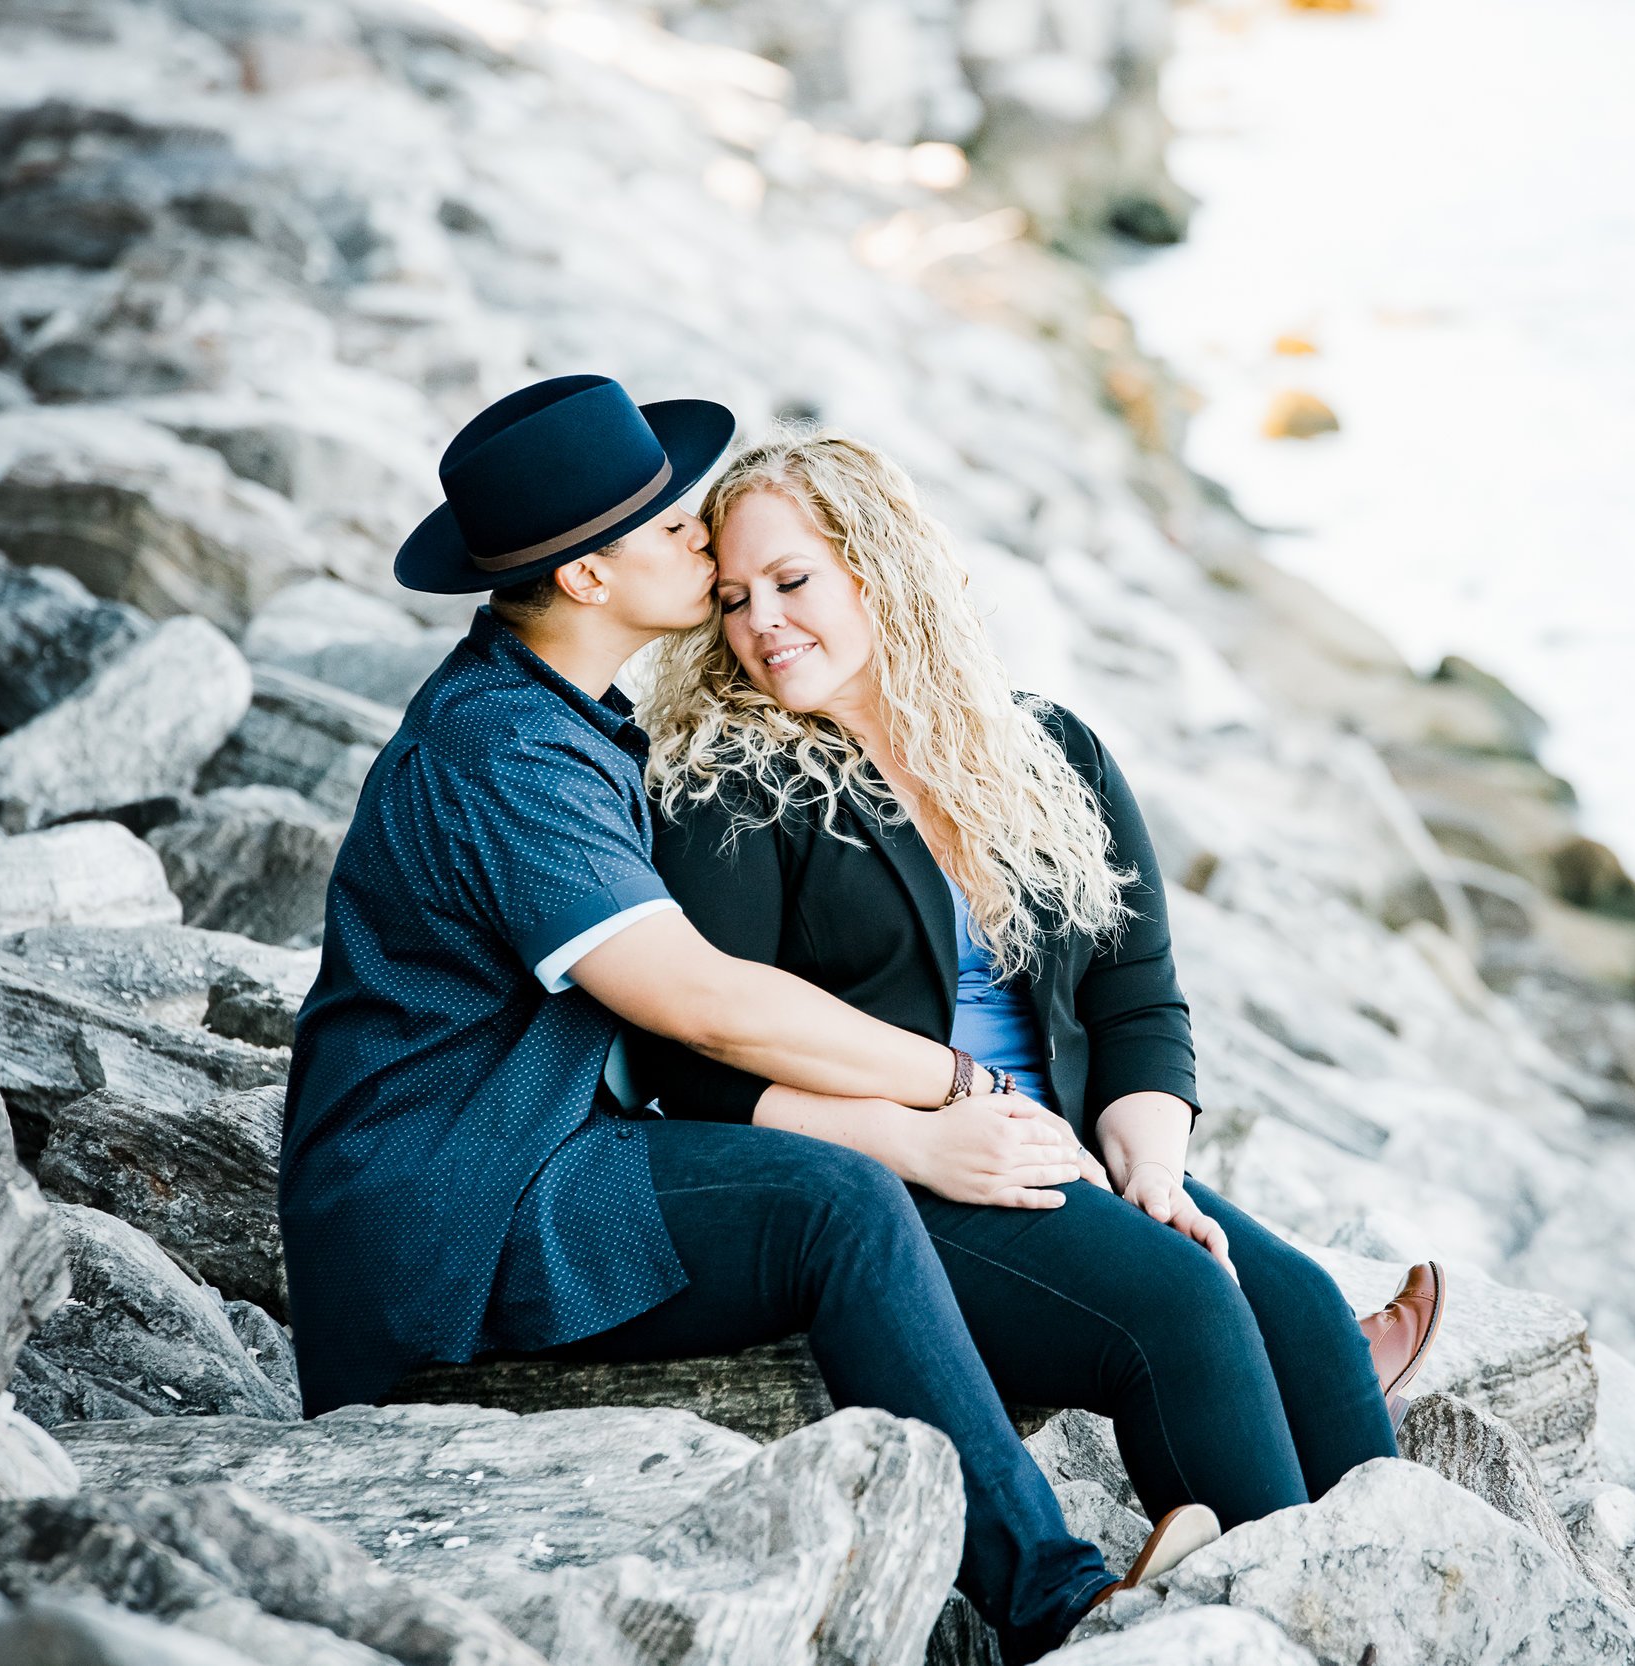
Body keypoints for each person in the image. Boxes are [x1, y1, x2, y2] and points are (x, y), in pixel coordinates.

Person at [283, 375, 1154, 1661]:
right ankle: (1055, 1600)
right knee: (833, 1201)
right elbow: (697, 1000)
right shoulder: (502, 752)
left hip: (539, 1143)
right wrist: (956, 1086)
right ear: (588, 579)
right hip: (454, 1193)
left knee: (835, 1187)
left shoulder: (564, 712)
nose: (705, 543)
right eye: (675, 529)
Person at [623, 432, 1446, 1552]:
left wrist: (1150, 1167)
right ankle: (1257, 1618)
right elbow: (690, 1065)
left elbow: (1139, 999)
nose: (760, 619)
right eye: (731, 597)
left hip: (1070, 1152)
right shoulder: (737, 779)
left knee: (1299, 1308)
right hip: (900, 1177)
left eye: (792, 579)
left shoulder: (1045, 747)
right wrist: (906, 1142)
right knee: (1186, 1310)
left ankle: (1378, 1597)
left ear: (880, 568)